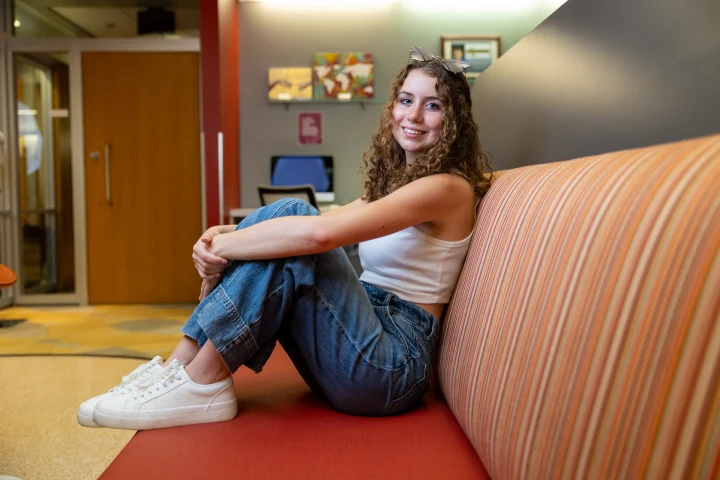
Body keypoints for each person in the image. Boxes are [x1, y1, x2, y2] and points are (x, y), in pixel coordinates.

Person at [77, 45, 493, 430]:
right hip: (362, 341)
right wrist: (222, 235)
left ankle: (201, 381)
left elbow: (317, 232)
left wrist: (223, 249)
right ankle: (176, 370)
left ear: (453, 121)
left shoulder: (446, 188)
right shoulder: (395, 187)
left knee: (295, 217)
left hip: (392, 366)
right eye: (406, 100)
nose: (413, 115)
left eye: (432, 105)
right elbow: (323, 221)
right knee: (287, 221)